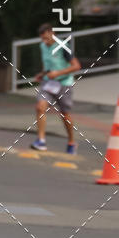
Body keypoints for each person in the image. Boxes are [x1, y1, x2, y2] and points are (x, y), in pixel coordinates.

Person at [31, 22, 81, 154]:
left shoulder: (64, 46)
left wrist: (57, 73)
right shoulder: (43, 46)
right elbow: (48, 65)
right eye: (42, 39)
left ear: (53, 34)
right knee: (40, 107)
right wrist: (42, 74)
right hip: (48, 83)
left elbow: (76, 66)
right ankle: (41, 141)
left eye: (47, 38)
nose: (45, 42)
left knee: (65, 114)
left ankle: (71, 141)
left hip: (64, 83)